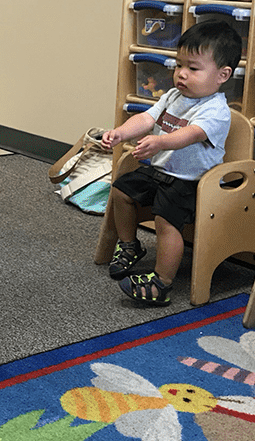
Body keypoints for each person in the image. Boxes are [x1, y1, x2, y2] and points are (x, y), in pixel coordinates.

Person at [100, 20, 242, 305]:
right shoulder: (174, 95)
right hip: (160, 170)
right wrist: (120, 132)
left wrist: (160, 142)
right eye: (179, 65)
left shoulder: (216, 110)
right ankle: (129, 245)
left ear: (222, 75)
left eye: (193, 68)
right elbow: (147, 118)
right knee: (120, 191)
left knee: (166, 221)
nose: (181, 74)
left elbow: (190, 134)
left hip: (192, 183)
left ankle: (161, 283)